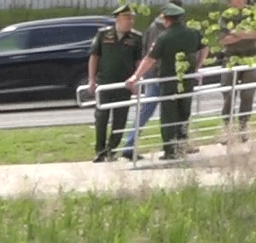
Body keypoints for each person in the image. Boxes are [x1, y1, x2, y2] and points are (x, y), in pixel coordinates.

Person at [128, 2, 205, 160]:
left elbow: (149, 59)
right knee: (184, 113)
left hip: (168, 80)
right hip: (186, 79)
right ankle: (182, 146)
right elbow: (205, 48)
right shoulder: (193, 32)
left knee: (169, 115)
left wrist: (136, 76)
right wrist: (197, 66)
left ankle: (170, 151)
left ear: (167, 20)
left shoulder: (164, 37)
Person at [87, 5, 145, 163]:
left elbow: (138, 61)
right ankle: (100, 151)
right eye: (127, 18)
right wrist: (91, 79)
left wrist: (136, 80)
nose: (131, 21)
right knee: (101, 118)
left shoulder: (136, 38)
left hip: (123, 85)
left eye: (132, 18)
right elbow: (94, 57)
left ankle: (111, 150)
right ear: (118, 19)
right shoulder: (103, 34)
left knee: (120, 119)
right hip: (104, 83)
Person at [215, 0, 256, 138]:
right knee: (228, 93)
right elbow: (223, 40)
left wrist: (236, 33)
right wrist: (244, 34)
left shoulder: (253, 13)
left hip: (250, 58)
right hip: (231, 58)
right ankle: (227, 127)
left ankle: (243, 126)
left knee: (248, 94)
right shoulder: (226, 16)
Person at [120, 9, 170, 161]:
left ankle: (129, 145)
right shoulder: (162, 29)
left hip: (152, 72)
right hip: (158, 73)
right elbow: (152, 54)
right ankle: (173, 144)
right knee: (167, 110)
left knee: (146, 110)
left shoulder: (153, 27)